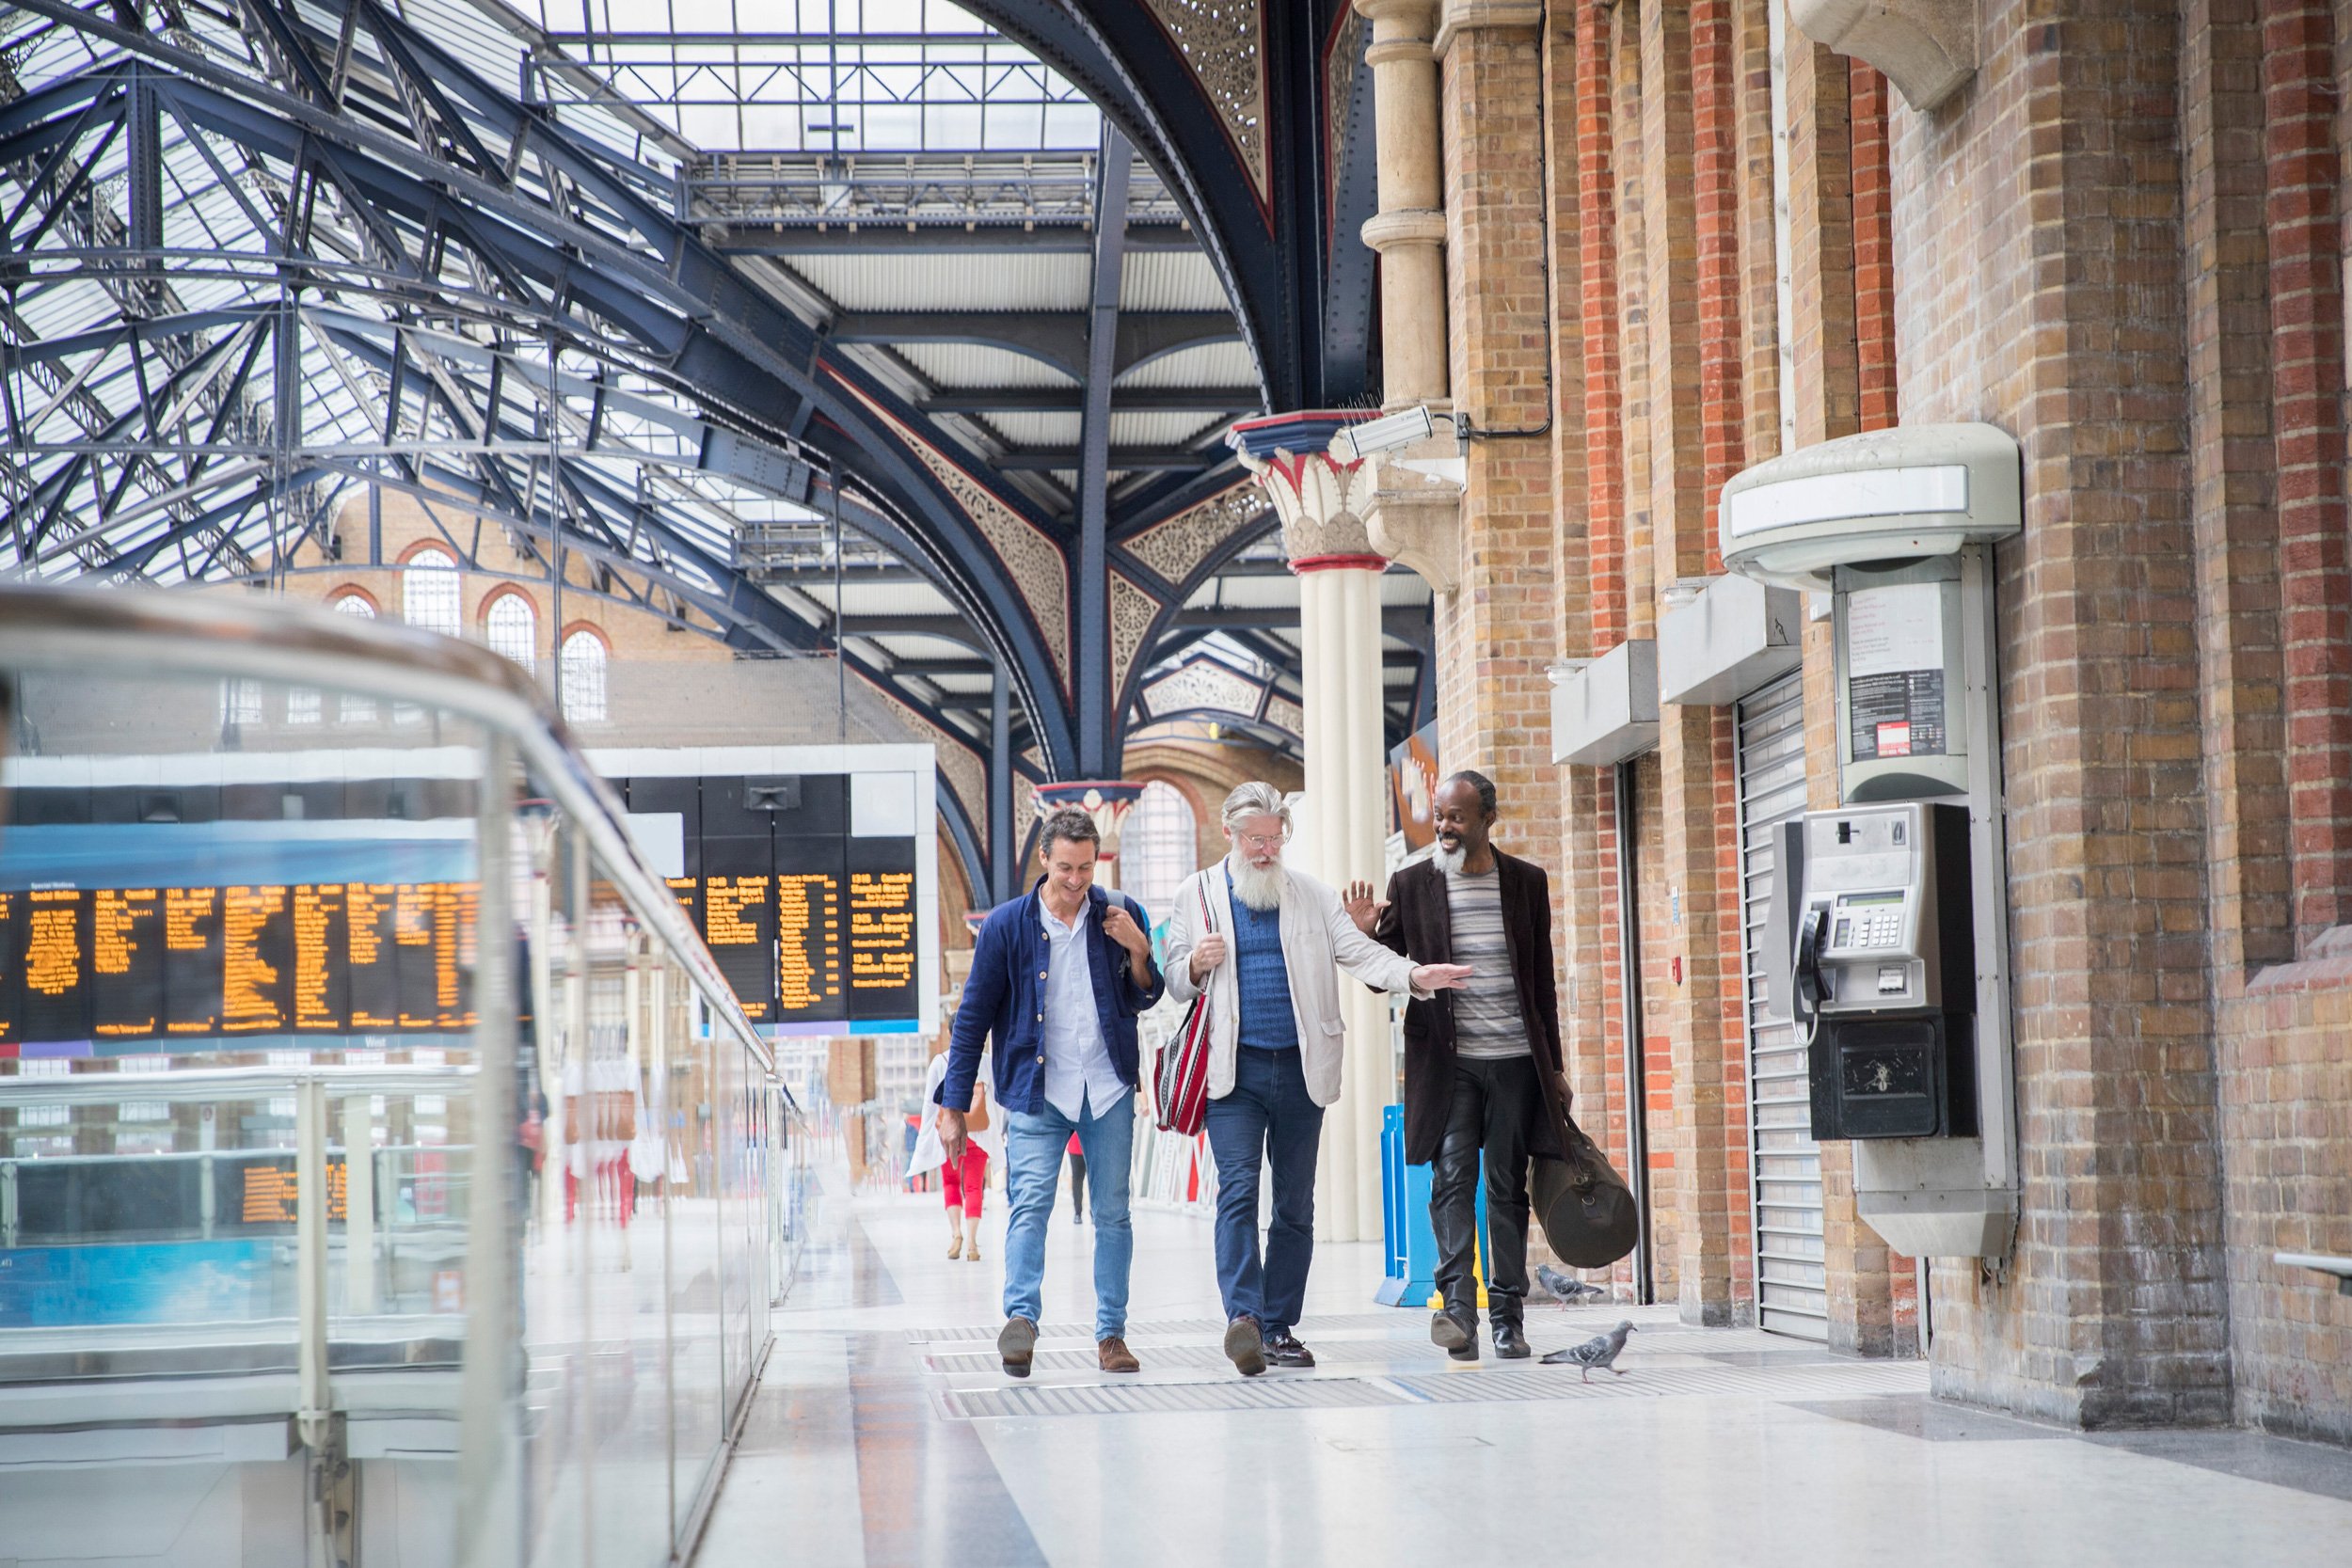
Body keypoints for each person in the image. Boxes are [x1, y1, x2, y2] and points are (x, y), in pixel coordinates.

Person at [1165, 783, 1470, 1376]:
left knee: (1296, 1206)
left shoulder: (1311, 895)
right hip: (1233, 1073)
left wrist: (1415, 974)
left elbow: (1360, 953)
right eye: (1255, 839)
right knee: (1237, 1195)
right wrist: (1195, 964)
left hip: (1302, 1070)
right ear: (1230, 833)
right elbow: (1174, 979)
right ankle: (1244, 1320)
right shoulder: (1194, 894)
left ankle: (1278, 1327)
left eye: (1275, 839)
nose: (1265, 850)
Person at [1346, 769, 1576, 1364]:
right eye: (1440, 817)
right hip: (1447, 1067)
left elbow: (1541, 983)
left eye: (1456, 818)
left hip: (1516, 1063)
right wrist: (1368, 936)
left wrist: (1553, 1066)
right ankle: (1457, 1312)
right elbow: (1386, 974)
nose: (1444, 827)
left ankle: (1507, 1316)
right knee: (1452, 1183)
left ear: (1486, 821)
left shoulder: (1526, 883)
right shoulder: (1413, 883)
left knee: (1506, 1187)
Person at [938, 806, 1165, 1378]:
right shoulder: (1007, 926)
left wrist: (1139, 949)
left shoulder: (1120, 913)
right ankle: (1021, 1321)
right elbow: (971, 1020)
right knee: (1029, 1205)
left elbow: (1145, 996)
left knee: (1113, 1213)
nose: (1076, 880)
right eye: (1065, 867)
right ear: (1044, 860)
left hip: (1107, 1086)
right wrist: (952, 1106)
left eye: (1086, 868)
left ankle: (1111, 1335)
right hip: (1037, 1092)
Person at [909, 1049, 997, 1260]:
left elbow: (930, 1103)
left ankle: (956, 1233)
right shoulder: (986, 1061)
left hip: (949, 1132)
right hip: (979, 1134)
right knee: (974, 1185)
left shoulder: (939, 1062)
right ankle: (973, 1244)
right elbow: (996, 1099)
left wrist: (926, 1137)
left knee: (950, 1183)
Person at [1065, 1132, 1087, 1224]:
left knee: (1077, 1180)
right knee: (1079, 1180)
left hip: (1077, 1144)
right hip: (1077, 1146)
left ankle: (1078, 1214)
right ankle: (1079, 1212)